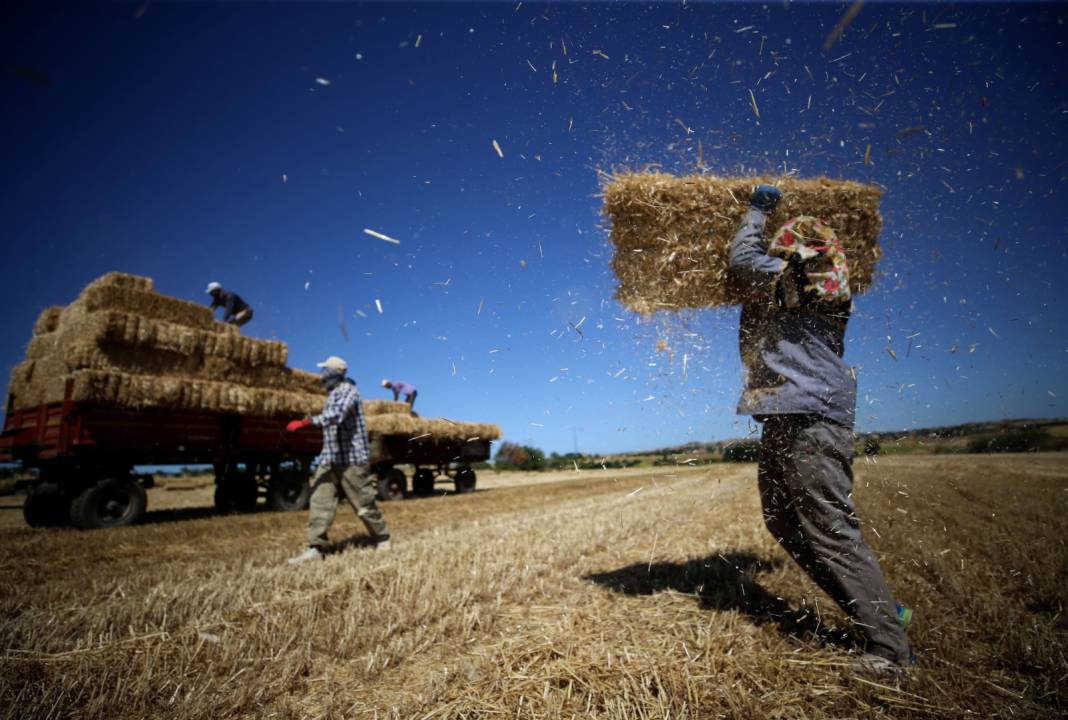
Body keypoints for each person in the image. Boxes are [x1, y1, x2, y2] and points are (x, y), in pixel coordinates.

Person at [728, 185, 913, 676]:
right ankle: (877, 611)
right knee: (783, 520)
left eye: (786, 245)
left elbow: (740, 256)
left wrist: (757, 211)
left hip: (810, 415)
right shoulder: (822, 283)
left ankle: (891, 651)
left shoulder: (801, 275)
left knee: (830, 530)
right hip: (789, 412)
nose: (778, 251)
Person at [286, 356, 391, 564]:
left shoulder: (349, 392)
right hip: (330, 459)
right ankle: (316, 547)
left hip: (351, 460)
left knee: (363, 503)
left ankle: (383, 538)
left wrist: (308, 421)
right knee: (319, 501)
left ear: (333, 373)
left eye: (324, 371)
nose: (322, 376)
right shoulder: (333, 394)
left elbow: (336, 415)